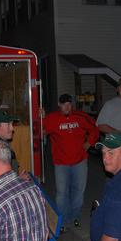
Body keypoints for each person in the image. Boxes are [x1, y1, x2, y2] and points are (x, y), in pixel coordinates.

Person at [43, 94, 99, 231]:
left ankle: (75, 217)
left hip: (79, 161)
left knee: (78, 191)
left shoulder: (81, 116)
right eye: (64, 104)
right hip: (61, 163)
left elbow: (94, 129)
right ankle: (63, 219)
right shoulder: (52, 118)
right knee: (62, 193)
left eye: (69, 103)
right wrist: (41, 117)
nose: (67, 106)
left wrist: (89, 143)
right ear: (59, 104)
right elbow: (41, 130)